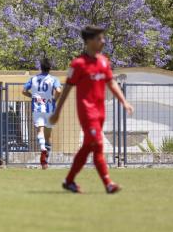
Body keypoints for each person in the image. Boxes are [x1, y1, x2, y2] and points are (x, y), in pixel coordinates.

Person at [50, 26, 134, 194]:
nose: (103, 41)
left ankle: (69, 181)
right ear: (88, 41)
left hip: (100, 111)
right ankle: (108, 184)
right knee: (98, 144)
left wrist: (124, 101)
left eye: (103, 38)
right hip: (87, 112)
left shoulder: (104, 61)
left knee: (89, 147)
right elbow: (67, 88)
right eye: (99, 39)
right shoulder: (78, 64)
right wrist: (57, 111)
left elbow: (111, 83)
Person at [22, 58, 62, 169]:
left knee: (40, 130)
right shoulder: (53, 79)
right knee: (48, 135)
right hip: (49, 108)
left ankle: (43, 149)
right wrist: (54, 99)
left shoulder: (33, 78)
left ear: (41, 67)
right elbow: (58, 90)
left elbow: (24, 90)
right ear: (50, 68)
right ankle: (45, 158)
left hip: (37, 108)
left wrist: (32, 96)